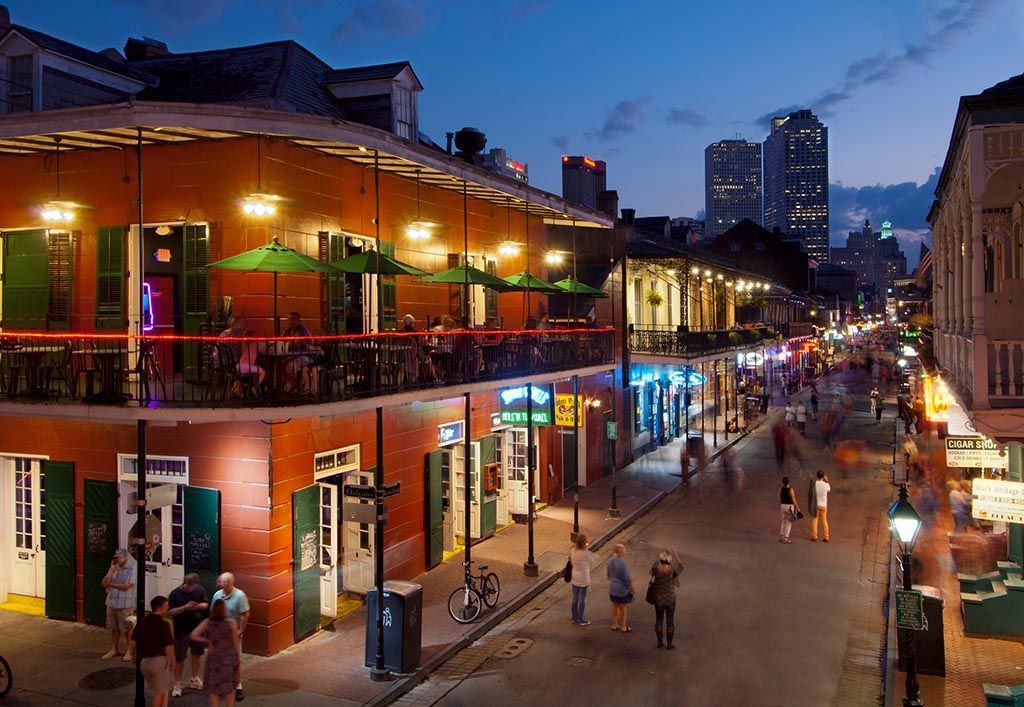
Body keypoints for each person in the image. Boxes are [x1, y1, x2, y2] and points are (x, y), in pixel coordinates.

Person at [190, 599, 241, 707]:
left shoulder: (208, 622)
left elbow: (193, 635)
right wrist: (237, 660)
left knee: (214, 688)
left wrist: (207, 641)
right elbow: (236, 644)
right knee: (229, 688)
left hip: (214, 658)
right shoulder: (231, 623)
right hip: (228, 657)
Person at [168, 573, 210, 697]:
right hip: (181, 630)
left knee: (197, 654)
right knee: (180, 657)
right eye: (194, 587)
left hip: (197, 628)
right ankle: (177, 683)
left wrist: (197, 606)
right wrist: (185, 607)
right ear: (187, 584)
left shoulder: (200, 590)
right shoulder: (175, 594)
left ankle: (195, 678)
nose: (195, 589)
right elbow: (170, 612)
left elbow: (205, 604)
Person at [131, 595, 175, 707]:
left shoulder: (142, 622)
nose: (168, 607)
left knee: (163, 689)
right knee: (159, 693)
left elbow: (133, 640)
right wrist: (173, 661)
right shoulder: (164, 624)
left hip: (144, 663)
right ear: (159, 608)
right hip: (158, 662)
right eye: (166, 605)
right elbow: (169, 647)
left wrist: (133, 654)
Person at [211, 573, 249, 702]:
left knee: (235, 660)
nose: (223, 584)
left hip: (233, 633)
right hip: (220, 634)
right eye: (222, 581)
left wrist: (240, 631)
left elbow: (245, 614)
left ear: (231, 582)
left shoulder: (239, 595)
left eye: (225, 581)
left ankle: (238, 686)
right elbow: (213, 613)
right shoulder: (217, 595)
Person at [101, 548, 136, 661]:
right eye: (116, 557)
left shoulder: (132, 567)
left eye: (120, 557)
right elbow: (104, 583)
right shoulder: (114, 567)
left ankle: (130, 651)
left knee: (128, 628)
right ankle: (114, 649)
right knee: (114, 627)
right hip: (112, 601)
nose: (118, 560)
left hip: (125, 603)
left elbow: (127, 585)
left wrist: (111, 584)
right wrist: (111, 569)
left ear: (126, 557)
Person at [649, 550, 683, 649]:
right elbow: (681, 567)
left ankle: (660, 642)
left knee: (659, 620)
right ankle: (669, 643)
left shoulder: (655, 570)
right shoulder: (672, 571)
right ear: (669, 561)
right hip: (670, 599)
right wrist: (676, 554)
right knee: (670, 621)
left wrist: (658, 559)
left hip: (658, 599)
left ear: (661, 560)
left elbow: (653, 566)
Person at [569, 534, 596, 626]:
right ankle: (581, 619)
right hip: (583, 579)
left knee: (575, 598)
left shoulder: (573, 551)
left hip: (575, 577)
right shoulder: (585, 553)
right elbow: (592, 561)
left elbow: (572, 562)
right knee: (582, 599)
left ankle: (574, 617)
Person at [606, 544, 634, 632]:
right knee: (623, 607)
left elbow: (608, 574)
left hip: (613, 588)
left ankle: (614, 625)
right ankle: (623, 626)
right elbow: (626, 578)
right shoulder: (622, 563)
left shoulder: (609, 561)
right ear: (620, 552)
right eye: (624, 550)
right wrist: (632, 588)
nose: (625, 551)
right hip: (621, 589)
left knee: (614, 606)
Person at [810, 470, 831, 542]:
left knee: (815, 520)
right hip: (824, 505)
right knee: (824, 521)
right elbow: (829, 490)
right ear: (823, 476)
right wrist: (827, 480)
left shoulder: (815, 483)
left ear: (817, 476)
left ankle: (814, 536)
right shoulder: (826, 485)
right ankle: (826, 537)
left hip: (816, 505)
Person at [779, 476, 800, 543]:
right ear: (789, 482)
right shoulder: (791, 490)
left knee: (783, 521)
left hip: (782, 506)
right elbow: (793, 499)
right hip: (789, 507)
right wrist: (797, 508)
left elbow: (779, 497)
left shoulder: (781, 489)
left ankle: (781, 537)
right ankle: (786, 538)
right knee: (789, 523)